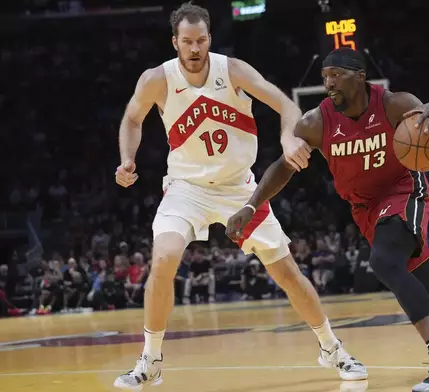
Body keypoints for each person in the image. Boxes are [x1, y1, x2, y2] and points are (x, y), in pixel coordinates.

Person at [226, 48, 429, 392]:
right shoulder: (316, 122)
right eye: (324, 78)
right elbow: (284, 167)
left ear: (360, 76)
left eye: (336, 75)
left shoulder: (394, 104)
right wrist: (251, 204)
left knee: (382, 260)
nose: (328, 83)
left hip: (405, 191)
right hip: (366, 210)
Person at [112, 4, 367, 389]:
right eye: (187, 42)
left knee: (287, 273)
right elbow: (132, 118)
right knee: (163, 257)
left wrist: (287, 136)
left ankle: (332, 348)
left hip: (239, 190)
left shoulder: (232, 70)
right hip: (186, 189)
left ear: (209, 39)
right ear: (175, 42)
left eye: (201, 41)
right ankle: (150, 360)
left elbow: (284, 104)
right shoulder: (156, 79)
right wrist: (127, 160)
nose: (194, 48)